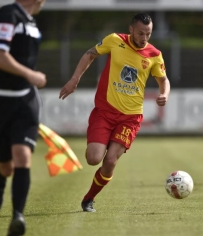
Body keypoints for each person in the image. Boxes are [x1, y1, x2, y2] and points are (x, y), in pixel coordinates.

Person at [59, 13, 170, 212]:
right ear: (131, 30)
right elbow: (90, 54)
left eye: (149, 34)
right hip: (105, 111)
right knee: (94, 158)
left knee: (110, 161)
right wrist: (75, 79)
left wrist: (165, 94)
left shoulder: (154, 54)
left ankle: (89, 199)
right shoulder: (114, 40)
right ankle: (102, 142)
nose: (144, 38)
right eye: (141, 33)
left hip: (130, 118)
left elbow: (163, 80)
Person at [0, 0, 49, 235]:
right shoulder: (8, 14)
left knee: (23, 156)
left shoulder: (31, 22)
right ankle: (0, 179)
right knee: (7, 165)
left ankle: (18, 217)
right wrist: (31, 75)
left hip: (25, 101)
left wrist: (28, 80)